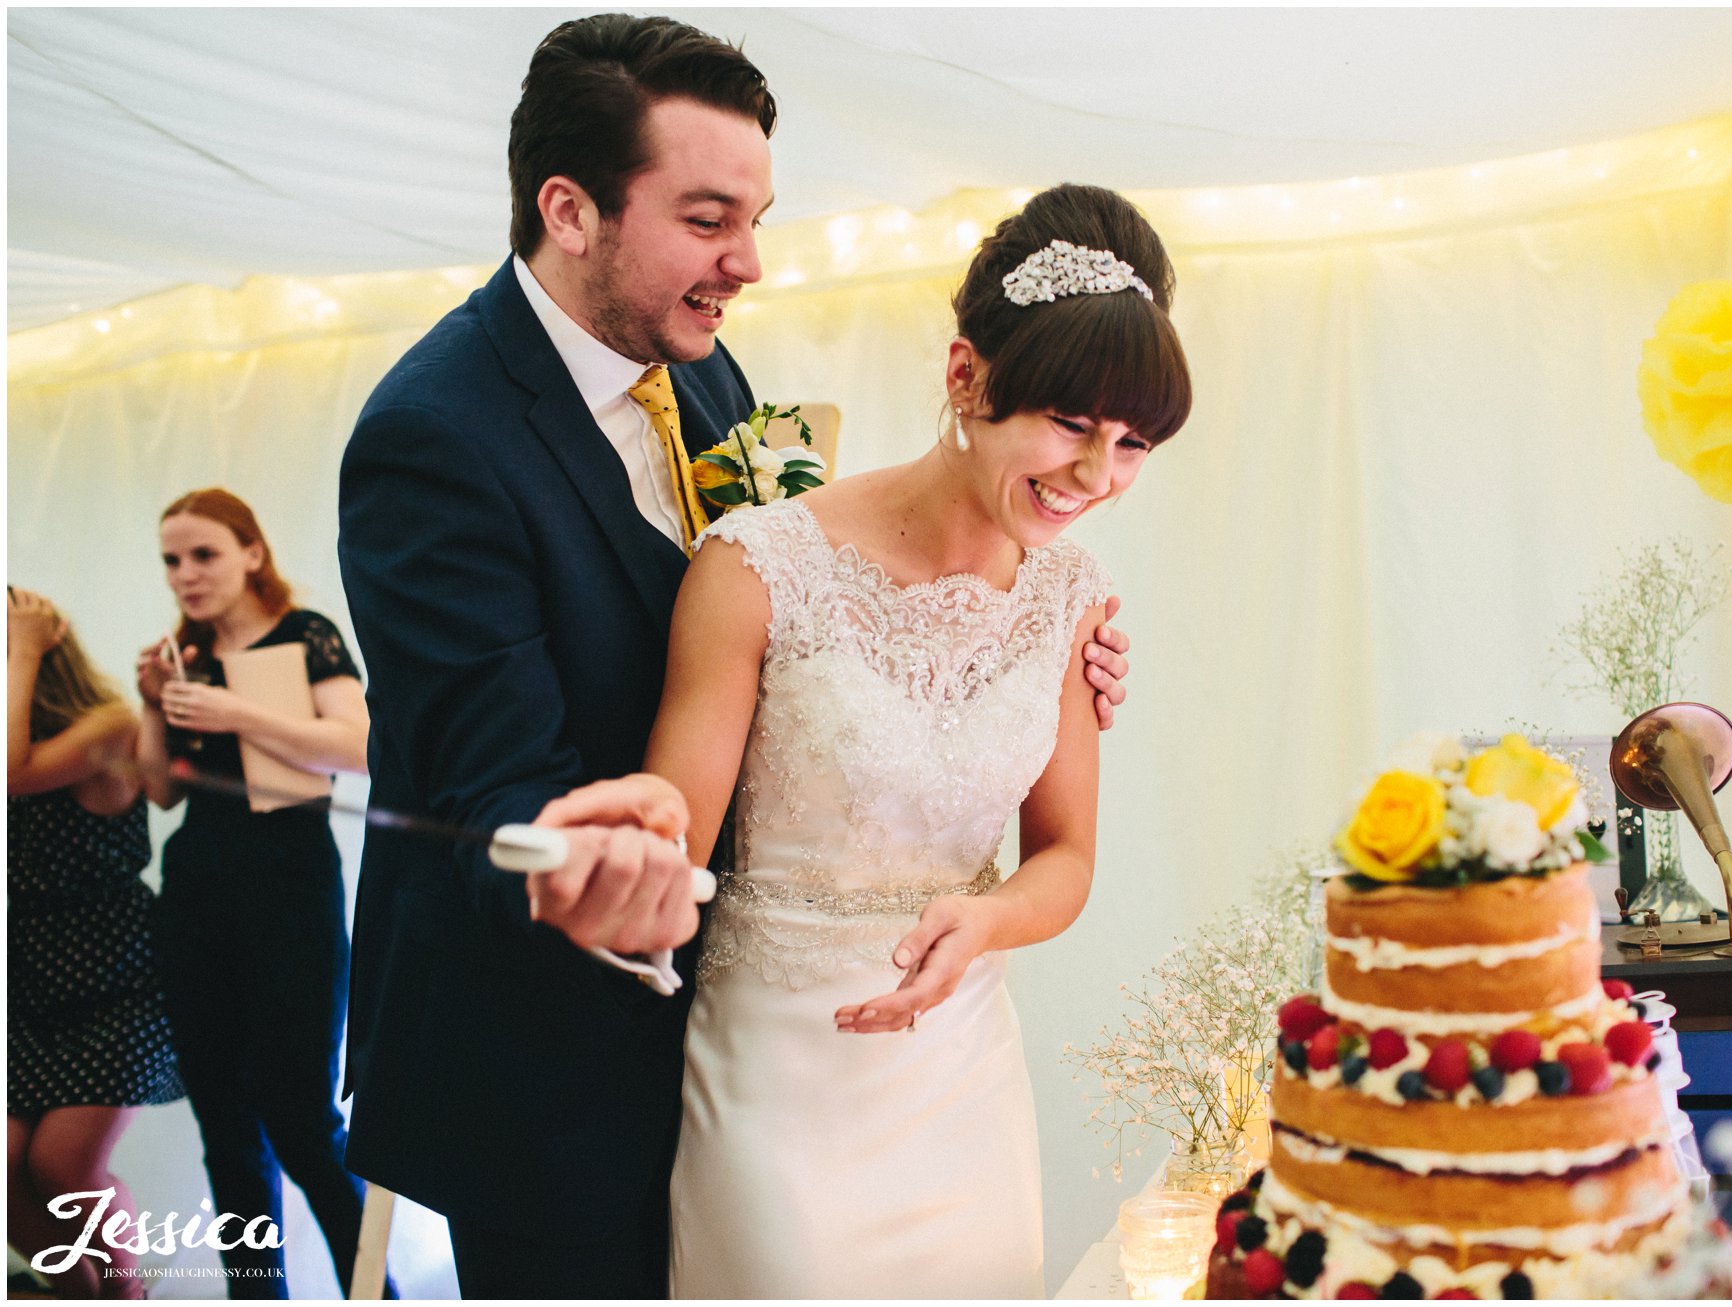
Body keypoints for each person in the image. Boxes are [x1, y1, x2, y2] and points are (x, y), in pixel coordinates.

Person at [336, 14, 1132, 1298]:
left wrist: (991, 667)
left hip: (757, 1042)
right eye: (709, 219)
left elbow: (793, 613)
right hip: (551, 1069)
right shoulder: (432, 437)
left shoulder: (702, 372)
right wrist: (600, 862)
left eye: (756, 217)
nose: (748, 263)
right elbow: (489, 786)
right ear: (571, 208)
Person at [547, 183, 1192, 1296]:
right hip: (776, 1088)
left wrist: (988, 915)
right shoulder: (758, 564)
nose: (1097, 476)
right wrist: (629, 838)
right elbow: (677, 819)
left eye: (1133, 441)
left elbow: (1066, 858)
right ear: (964, 376)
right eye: (1072, 423)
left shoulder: (1074, 597)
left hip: (961, 1083)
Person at [132, 489, 376, 1298]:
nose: (185, 575)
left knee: (305, 1126)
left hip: (291, 890)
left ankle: (377, 1292)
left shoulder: (305, 636)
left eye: (203, 554)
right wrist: (150, 702)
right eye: (172, 559)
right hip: (197, 891)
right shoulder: (185, 657)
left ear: (252, 553)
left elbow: (358, 746)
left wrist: (236, 710)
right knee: (226, 1133)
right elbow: (160, 793)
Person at [8, 588, 183, 1299]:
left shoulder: (107, 725)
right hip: (29, 985)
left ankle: (124, 1290)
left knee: (61, 1166)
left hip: (118, 979)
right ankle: (85, 1293)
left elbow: (11, 774)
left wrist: (22, 645)